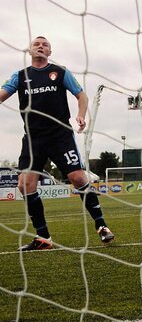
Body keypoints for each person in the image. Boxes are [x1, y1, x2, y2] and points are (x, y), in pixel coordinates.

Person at [0, 36, 114, 250]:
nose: (40, 46)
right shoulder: (19, 76)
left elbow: (82, 96)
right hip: (33, 139)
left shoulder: (61, 72)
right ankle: (43, 238)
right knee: (25, 185)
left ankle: (102, 226)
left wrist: (81, 115)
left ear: (49, 52)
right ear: (30, 50)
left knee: (77, 177)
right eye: (37, 44)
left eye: (45, 44)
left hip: (59, 135)